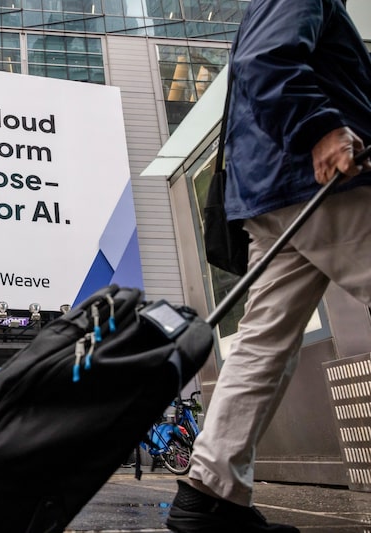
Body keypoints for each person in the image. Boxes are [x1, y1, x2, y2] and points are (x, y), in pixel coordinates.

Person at [166, 1, 371, 532]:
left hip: (272, 193)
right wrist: (321, 128)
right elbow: (265, 59)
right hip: (319, 180)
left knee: (262, 344)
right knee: (263, 342)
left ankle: (210, 496)